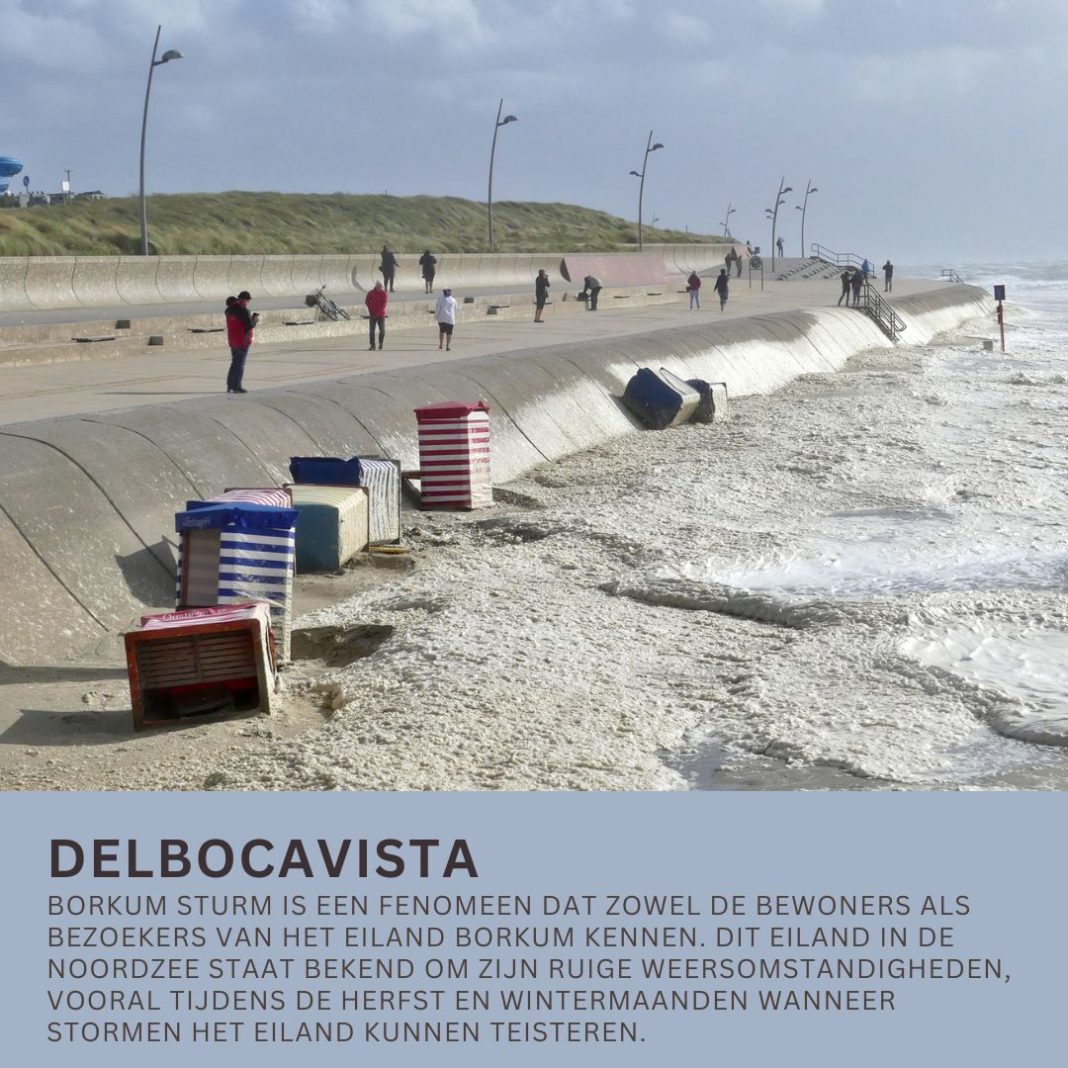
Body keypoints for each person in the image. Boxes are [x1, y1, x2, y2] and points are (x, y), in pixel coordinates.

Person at [225, 290, 258, 393]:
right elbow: (249, 326)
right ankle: (237, 386)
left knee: (234, 362)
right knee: (240, 364)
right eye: (248, 301)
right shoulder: (243, 310)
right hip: (242, 340)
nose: (248, 303)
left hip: (232, 340)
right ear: (245, 300)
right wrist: (254, 319)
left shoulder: (229, 309)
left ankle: (230, 385)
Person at [365, 281, 388, 349]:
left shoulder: (384, 294)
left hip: (381, 315)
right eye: (379, 287)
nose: (380, 288)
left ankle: (381, 343)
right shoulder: (370, 293)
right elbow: (367, 301)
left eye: (381, 287)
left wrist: (377, 313)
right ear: (376, 286)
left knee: (382, 331)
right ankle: (372, 345)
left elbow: (383, 305)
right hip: (372, 314)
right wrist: (370, 309)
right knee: (371, 331)